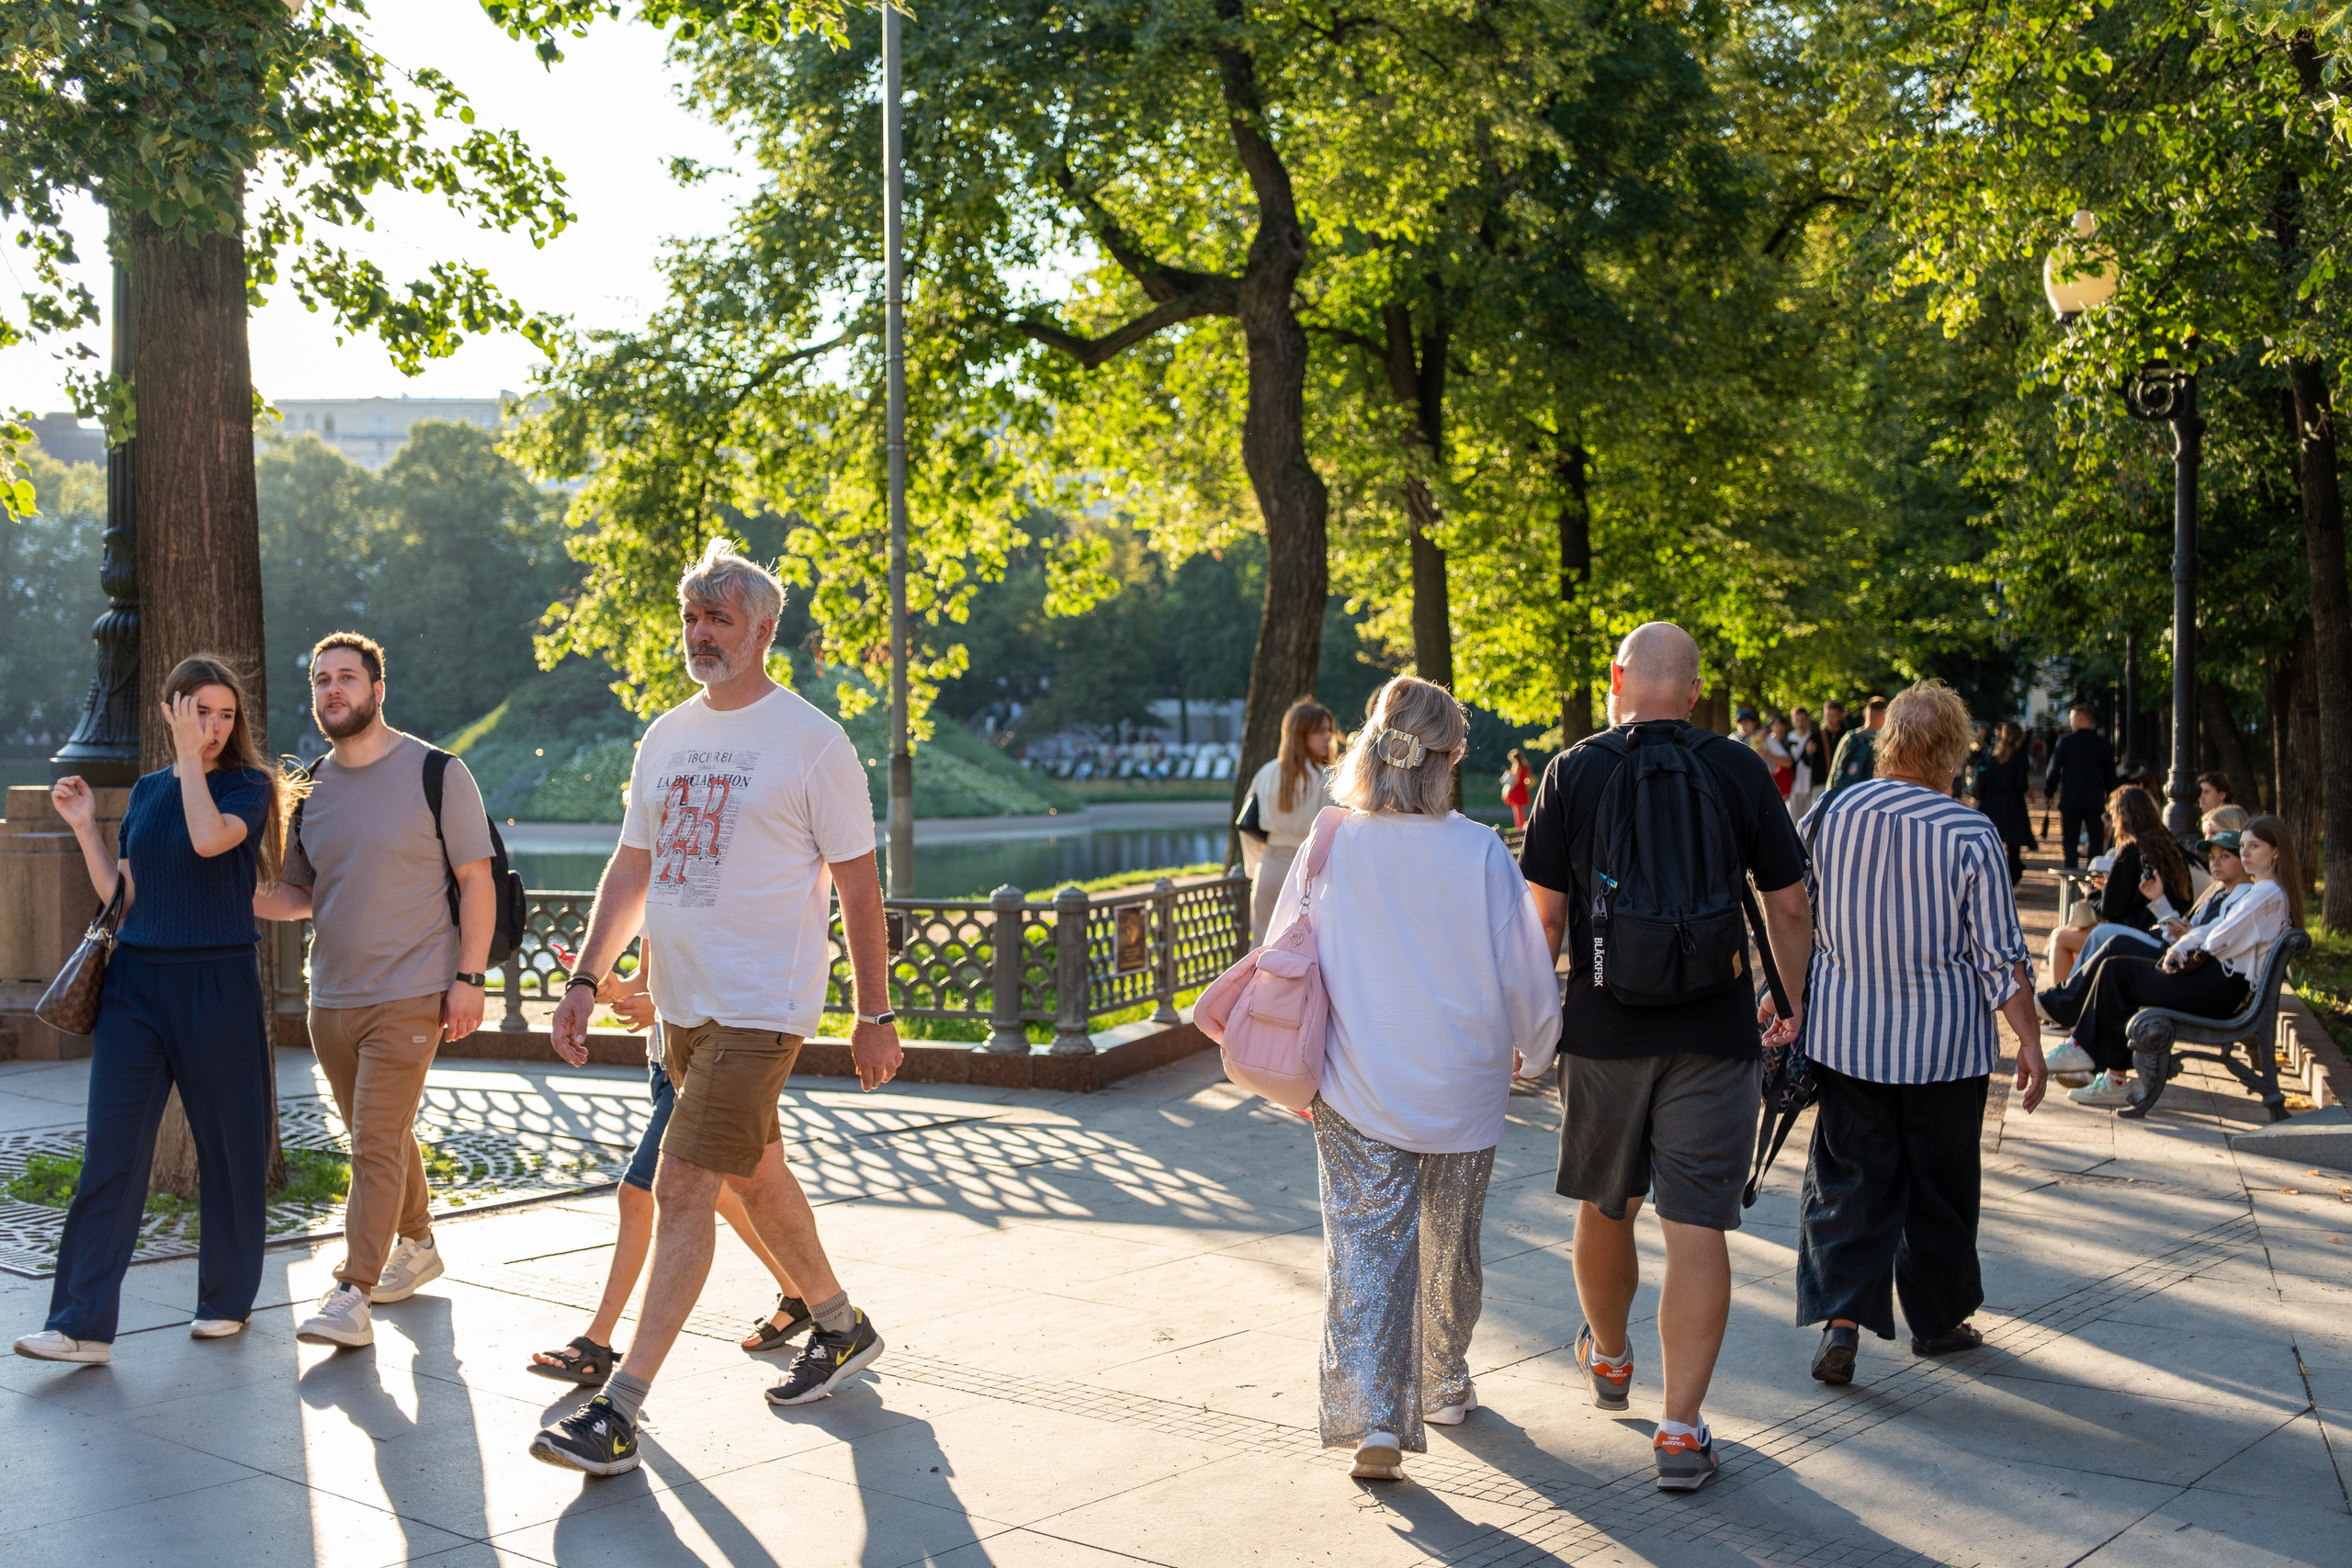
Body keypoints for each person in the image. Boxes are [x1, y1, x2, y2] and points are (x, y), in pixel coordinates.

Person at [529, 536, 903, 1477]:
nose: (699, 633)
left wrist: (874, 1014)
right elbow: (633, 868)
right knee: (756, 1174)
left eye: (719, 619)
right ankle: (840, 1324)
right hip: (681, 1011)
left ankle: (619, 1408)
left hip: (760, 1006)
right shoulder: (666, 735)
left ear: (764, 629)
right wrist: (585, 980)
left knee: (685, 1182)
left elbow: (860, 887)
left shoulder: (813, 743)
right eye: (691, 617)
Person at [1519, 623, 1813, 1494]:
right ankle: (1681, 1432)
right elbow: (1789, 906)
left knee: (1607, 1203)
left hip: (1604, 1030)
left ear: (1617, 681)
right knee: (1697, 1226)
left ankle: (1610, 1356)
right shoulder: (1738, 769)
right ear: (1693, 692)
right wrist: (1789, 1000)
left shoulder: (1572, 771)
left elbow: (1544, 918)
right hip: (1715, 1031)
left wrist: (1533, 1024)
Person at [1294, 676, 1561, 1483]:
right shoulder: (1480, 849)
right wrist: (1538, 1045)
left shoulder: (1331, 839)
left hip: (1355, 1081)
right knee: (1451, 1246)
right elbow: (1524, 970)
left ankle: (1375, 1413)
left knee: (1364, 1250)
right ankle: (1443, 1381)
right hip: (1463, 1084)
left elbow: (1285, 950)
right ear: (1447, 761)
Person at [15, 657, 294, 1364]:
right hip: (135, 986)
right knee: (110, 1152)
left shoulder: (246, 785)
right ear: (171, 710)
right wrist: (85, 827)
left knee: (230, 1149)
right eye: (200, 711)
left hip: (217, 981)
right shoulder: (145, 791)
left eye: (225, 714)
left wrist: (191, 760)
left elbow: (207, 839)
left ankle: (225, 1299)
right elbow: (126, 895)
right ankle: (79, 1324)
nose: (214, 725)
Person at [247, 633, 494, 1349]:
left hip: (413, 992)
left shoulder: (437, 772)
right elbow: (302, 893)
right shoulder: (312, 786)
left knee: (375, 1141)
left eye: (347, 677)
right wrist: (232, 894)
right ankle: (418, 1242)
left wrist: (470, 978)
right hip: (331, 997)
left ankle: (352, 1291)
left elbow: (476, 879)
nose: (333, 689)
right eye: (321, 679)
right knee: (378, 1135)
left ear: (377, 690)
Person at [1796, 681, 2047, 1388]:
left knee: (1848, 1179)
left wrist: (1782, 998)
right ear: (1953, 752)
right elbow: (2000, 956)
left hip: (1847, 1038)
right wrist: (2029, 1042)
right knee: (1941, 1187)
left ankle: (1841, 1319)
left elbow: (1794, 917)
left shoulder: (1829, 813)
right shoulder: (1970, 832)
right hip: (1946, 1048)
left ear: (1889, 741)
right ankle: (1937, 1321)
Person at [527, 942, 818, 1382]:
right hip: (665, 1064)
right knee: (725, 1189)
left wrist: (662, 1007)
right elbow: (646, 979)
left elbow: (733, 972)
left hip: (712, 1060)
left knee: (637, 1193)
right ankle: (804, 1296)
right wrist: (609, 987)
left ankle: (596, 1344)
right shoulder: (652, 900)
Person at [2061, 815, 2303, 1111]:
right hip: (2219, 982)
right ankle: (2099, 1066)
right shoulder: (2265, 890)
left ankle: (2084, 1051)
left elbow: (2217, 938)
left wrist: (2190, 942)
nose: (2246, 853)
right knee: (2118, 968)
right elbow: (2213, 933)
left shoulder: (2264, 893)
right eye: (2243, 846)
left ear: (2275, 851)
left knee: (2118, 970)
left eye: (2254, 846)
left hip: (2219, 988)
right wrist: (2189, 941)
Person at [2040, 821, 2252, 1058]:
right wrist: (2159, 900)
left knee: (2116, 959)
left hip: (2204, 982)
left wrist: (2188, 935)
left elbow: (2209, 939)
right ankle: (2083, 1040)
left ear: (2245, 860)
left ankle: (2071, 1024)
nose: (2215, 862)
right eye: (2212, 857)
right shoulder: (2220, 893)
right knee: (2115, 958)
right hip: (2188, 965)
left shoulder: (2247, 898)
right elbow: (2185, 933)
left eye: (2224, 856)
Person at [2047, 785, 2193, 987]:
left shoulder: (2132, 849)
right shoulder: (2170, 847)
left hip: (2139, 933)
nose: (2112, 823)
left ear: (2122, 816)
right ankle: (2068, 995)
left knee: (2060, 937)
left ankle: (2061, 999)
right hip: (2162, 930)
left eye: (2113, 816)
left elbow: (2111, 910)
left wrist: (2091, 892)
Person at [1241, 699, 1336, 942]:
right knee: (1304, 949)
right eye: (1319, 731)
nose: (1328, 737)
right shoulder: (1326, 777)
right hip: (1308, 873)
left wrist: (1256, 866)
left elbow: (1246, 826)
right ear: (1301, 734)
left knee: (1262, 946)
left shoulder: (1266, 772)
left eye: (1328, 730)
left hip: (1269, 868)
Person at [2044, 704, 2116, 869]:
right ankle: (2094, 874)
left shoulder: (2065, 742)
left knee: (2070, 840)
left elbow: (2054, 770)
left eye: (2071, 719)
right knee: (2096, 841)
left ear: (2078, 720)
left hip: (2071, 799)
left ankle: (2071, 873)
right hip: (2095, 800)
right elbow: (2110, 776)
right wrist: (2111, 798)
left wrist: (2049, 791)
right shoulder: (2102, 745)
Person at [1972, 720, 2037, 887]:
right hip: (2013, 803)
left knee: (1993, 841)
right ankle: (2013, 875)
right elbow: (2021, 783)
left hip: (1992, 801)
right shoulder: (2020, 756)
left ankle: (1993, 876)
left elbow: (1982, 775)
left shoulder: (1992, 753)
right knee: (2014, 845)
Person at [1824, 697, 1887, 800]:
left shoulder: (1850, 737)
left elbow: (1834, 771)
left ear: (1865, 714)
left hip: (1846, 797)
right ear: (1885, 716)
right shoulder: (1886, 741)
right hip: (1873, 798)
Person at [1787, 706, 1821, 820]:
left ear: (1807, 720)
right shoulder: (1788, 738)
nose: (1800, 723)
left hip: (1810, 787)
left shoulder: (1815, 737)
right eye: (1796, 720)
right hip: (1793, 788)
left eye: (1803, 720)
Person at [1500, 747, 1534, 830]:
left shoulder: (1517, 767)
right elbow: (1528, 779)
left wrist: (1509, 790)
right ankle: (1521, 826)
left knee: (1517, 809)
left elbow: (1516, 780)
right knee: (1521, 809)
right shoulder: (1526, 766)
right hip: (1523, 788)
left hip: (1517, 789)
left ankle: (1519, 827)